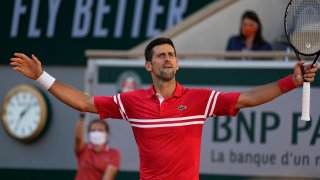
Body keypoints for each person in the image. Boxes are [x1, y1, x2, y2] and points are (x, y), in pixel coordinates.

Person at [10, 37, 318, 180]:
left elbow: (247, 98)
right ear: (148, 65)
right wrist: (42, 77)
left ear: (178, 62)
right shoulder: (131, 102)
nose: (168, 58)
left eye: (171, 54)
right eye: (160, 55)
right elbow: (85, 102)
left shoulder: (200, 99)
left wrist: (290, 82)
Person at [74, 113, 120, 180]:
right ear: (89, 133)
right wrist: (82, 117)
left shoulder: (113, 153)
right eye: (93, 130)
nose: (96, 133)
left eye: (100, 130)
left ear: (108, 134)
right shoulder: (84, 149)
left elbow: (108, 177)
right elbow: (78, 137)